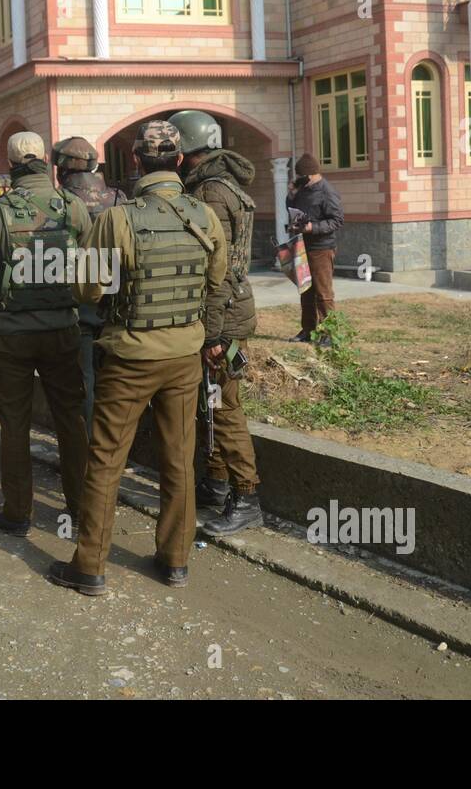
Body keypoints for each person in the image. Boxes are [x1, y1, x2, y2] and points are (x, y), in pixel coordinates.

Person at [47, 121, 227, 595]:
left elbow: (84, 287)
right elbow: (217, 279)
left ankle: (89, 566)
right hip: (185, 356)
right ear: (182, 162)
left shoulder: (117, 220)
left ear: (136, 162)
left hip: (128, 357)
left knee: (106, 461)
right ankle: (175, 561)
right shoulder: (204, 216)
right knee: (178, 460)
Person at [0, 131, 92, 536]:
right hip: (63, 332)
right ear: (44, 160)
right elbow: (92, 275)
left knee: (15, 425)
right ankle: (80, 509)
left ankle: (18, 513)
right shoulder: (73, 207)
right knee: (71, 423)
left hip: (12, 337)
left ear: (11, 165)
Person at [169, 110, 263, 536]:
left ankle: (246, 498)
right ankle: (218, 482)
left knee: (224, 408)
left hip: (221, 319)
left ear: (187, 148)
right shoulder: (218, 186)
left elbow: (219, 271)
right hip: (225, 315)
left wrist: (212, 334)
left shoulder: (210, 193)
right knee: (211, 403)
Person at [51, 136, 126, 437]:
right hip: (116, 301)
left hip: (75, 304)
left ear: (60, 170)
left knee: (83, 380)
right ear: (94, 164)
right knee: (115, 378)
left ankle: (86, 447)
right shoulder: (119, 198)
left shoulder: (59, 203)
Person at [285, 153, 344, 346]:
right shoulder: (303, 189)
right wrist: (291, 196)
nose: (298, 179)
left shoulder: (327, 192)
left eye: (300, 176)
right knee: (306, 291)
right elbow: (292, 209)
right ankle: (308, 330)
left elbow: (337, 220)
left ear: (309, 175)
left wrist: (313, 228)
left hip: (321, 248)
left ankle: (330, 333)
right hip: (303, 246)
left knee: (323, 293)